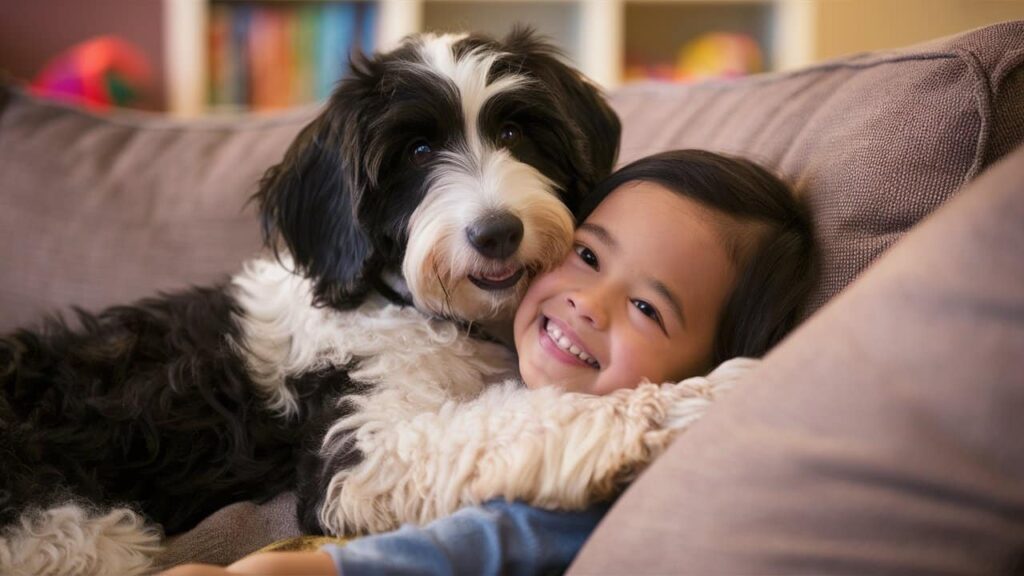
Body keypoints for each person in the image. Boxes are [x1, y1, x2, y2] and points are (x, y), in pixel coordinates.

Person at [160, 149, 817, 576]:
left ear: (707, 368)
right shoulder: (477, 345)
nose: (589, 304)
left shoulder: (604, 457)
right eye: (587, 255)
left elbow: (502, 540)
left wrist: (311, 571)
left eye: (648, 309)